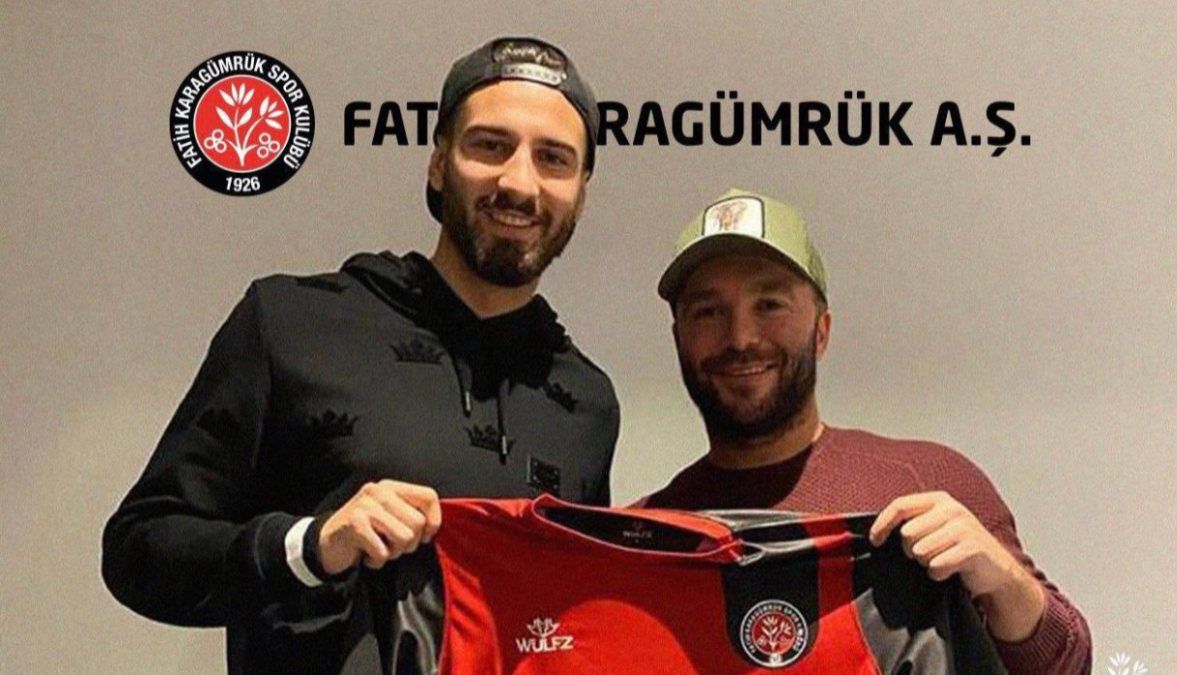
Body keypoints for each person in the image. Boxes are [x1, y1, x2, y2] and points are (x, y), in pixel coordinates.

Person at [102, 37, 619, 674]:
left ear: (581, 191)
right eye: (490, 146)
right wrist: (312, 546)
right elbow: (138, 550)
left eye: (553, 159)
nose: (518, 182)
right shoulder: (291, 324)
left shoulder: (587, 403)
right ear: (438, 164)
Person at [643, 189, 1092, 675]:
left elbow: (1068, 664)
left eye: (769, 304)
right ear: (678, 338)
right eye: (707, 312)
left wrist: (1001, 580)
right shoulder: (643, 538)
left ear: (821, 331)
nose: (740, 338)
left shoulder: (929, 482)